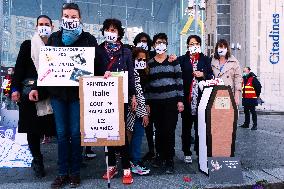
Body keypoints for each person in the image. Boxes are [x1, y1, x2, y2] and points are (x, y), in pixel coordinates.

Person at [29, 3, 98, 188]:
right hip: (58, 94)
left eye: (73, 16)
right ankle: (61, 173)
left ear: (80, 18)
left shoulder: (88, 39)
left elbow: (96, 64)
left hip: (78, 95)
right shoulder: (54, 38)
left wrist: (103, 74)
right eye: (66, 16)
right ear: (61, 18)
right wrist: (36, 87)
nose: (70, 19)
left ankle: (75, 172)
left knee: (75, 134)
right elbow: (46, 67)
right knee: (61, 134)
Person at [11, 15, 55, 178]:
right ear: (36, 27)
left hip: (50, 93)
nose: (44, 27)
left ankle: (69, 160)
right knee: (32, 130)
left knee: (55, 128)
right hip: (29, 93)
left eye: (47, 24)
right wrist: (14, 89)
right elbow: (19, 68)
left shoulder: (56, 44)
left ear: (52, 27)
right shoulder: (28, 45)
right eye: (41, 24)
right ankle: (37, 159)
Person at [94, 18, 136, 185]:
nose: (110, 33)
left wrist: (133, 95)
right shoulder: (98, 50)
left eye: (114, 30)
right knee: (107, 131)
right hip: (103, 96)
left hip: (122, 96)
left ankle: (126, 168)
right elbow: (93, 71)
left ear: (119, 33)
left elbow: (131, 74)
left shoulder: (126, 51)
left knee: (121, 131)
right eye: (108, 29)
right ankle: (111, 165)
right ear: (103, 31)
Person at [145, 33, 184, 174]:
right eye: (157, 42)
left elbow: (179, 82)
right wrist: (148, 103)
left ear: (166, 44)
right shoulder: (149, 63)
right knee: (159, 131)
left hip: (171, 102)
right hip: (155, 102)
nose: (160, 45)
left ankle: (169, 159)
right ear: (154, 45)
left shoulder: (173, 61)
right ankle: (160, 156)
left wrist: (180, 100)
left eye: (163, 42)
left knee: (169, 131)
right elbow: (147, 85)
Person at [178, 35, 213, 163]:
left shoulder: (205, 59)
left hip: (201, 100)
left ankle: (199, 152)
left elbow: (211, 75)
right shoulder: (182, 59)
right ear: (188, 45)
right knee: (186, 127)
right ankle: (187, 152)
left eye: (196, 43)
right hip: (187, 98)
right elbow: (178, 76)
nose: (194, 45)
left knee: (200, 128)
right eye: (191, 43)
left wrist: (203, 74)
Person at [126, 48, 150, 176]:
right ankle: (134, 162)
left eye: (144, 60)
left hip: (134, 110)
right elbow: (138, 95)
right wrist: (144, 113)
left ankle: (132, 160)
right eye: (138, 59)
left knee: (135, 135)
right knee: (137, 135)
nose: (141, 62)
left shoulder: (137, 72)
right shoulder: (134, 73)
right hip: (134, 111)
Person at [211, 39, 242, 106]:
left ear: (227, 49)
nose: (222, 49)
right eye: (220, 47)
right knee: (216, 115)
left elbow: (238, 78)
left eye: (224, 47)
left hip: (229, 93)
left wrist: (237, 95)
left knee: (228, 115)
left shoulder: (234, 61)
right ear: (217, 49)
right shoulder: (211, 60)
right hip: (214, 94)